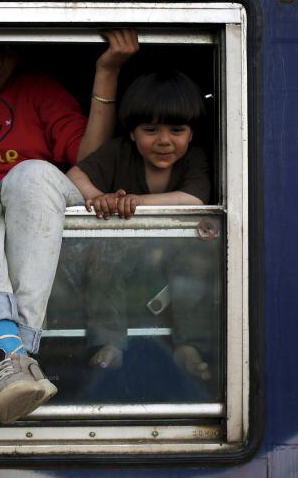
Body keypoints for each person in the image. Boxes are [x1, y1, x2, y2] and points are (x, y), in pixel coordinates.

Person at [0, 30, 139, 423]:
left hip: (41, 198)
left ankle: (6, 351)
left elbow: (90, 161)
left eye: (5, 48)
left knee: (29, 174)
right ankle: (12, 357)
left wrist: (106, 72)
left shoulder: (40, 90)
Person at [66, 70, 215, 382]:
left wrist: (134, 202)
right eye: (150, 129)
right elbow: (74, 177)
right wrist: (98, 197)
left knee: (196, 261)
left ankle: (187, 344)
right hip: (126, 259)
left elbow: (194, 200)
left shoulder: (195, 159)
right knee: (103, 256)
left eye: (177, 130)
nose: (164, 141)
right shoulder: (118, 151)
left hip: (175, 257)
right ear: (132, 133)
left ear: (191, 134)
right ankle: (110, 342)